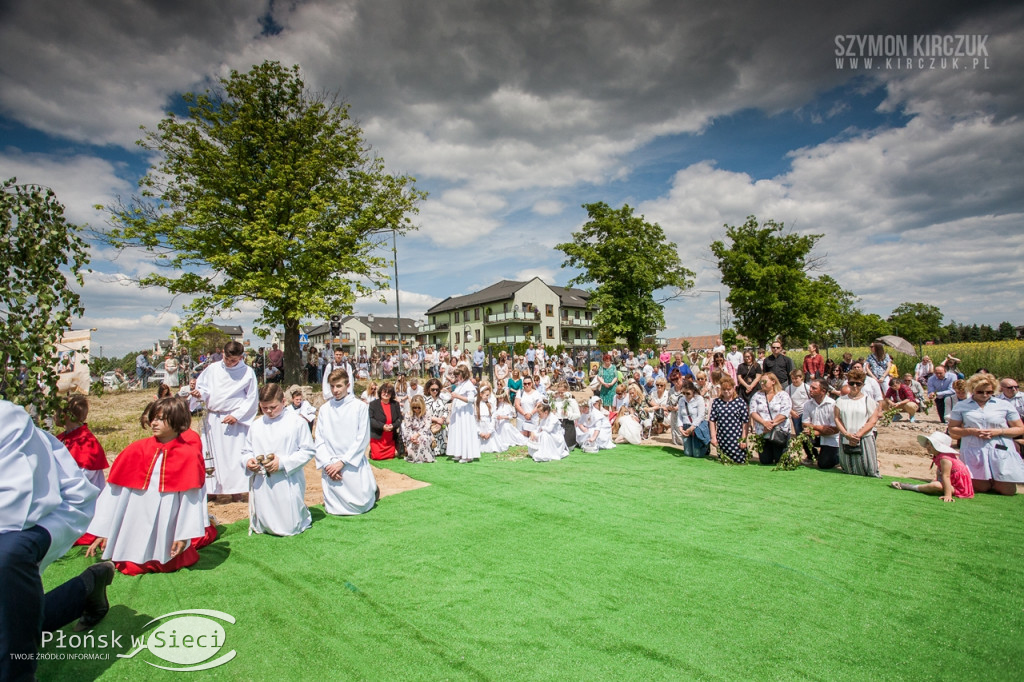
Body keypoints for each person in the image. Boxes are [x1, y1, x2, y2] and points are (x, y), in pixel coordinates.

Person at [0, 401, 113, 681]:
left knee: (7, 558)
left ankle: (17, 674)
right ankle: (85, 588)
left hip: (43, 514)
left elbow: (13, 504)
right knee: (10, 618)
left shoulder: (5, 419)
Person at [86, 398, 207, 574]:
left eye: (160, 418)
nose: (153, 422)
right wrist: (106, 529)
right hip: (137, 514)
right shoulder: (136, 449)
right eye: (153, 418)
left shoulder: (188, 455)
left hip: (169, 516)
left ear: (177, 420)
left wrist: (183, 535)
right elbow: (116, 493)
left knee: (166, 552)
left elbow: (191, 500)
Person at [242, 384, 316, 536]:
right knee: (264, 522)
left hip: (287, 480)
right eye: (264, 408)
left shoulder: (297, 422)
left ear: (283, 401)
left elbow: (308, 450)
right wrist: (249, 461)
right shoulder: (256, 426)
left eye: (273, 407)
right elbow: (246, 450)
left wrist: (282, 463)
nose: (269, 411)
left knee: (288, 526)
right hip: (262, 483)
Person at [190, 341, 258, 502]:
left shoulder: (247, 372)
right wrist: (199, 394)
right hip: (214, 417)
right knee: (211, 453)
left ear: (241, 357)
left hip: (235, 421)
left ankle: (237, 490)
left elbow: (252, 398)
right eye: (227, 358)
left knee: (235, 456)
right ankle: (211, 489)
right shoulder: (212, 369)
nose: (229, 362)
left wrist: (238, 415)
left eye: (234, 360)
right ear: (222, 353)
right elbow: (204, 388)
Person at [947, 373, 1024, 495]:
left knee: (1007, 490)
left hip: (999, 447)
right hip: (974, 448)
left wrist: (999, 431)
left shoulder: (1004, 405)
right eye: (980, 392)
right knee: (981, 488)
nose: (985, 395)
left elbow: (1020, 428)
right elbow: (952, 429)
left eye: (989, 392)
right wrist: (971, 431)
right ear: (972, 390)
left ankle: (997, 480)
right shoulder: (962, 406)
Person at [314, 369, 377, 515]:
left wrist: (342, 462)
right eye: (332, 386)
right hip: (331, 466)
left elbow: (362, 438)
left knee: (360, 504)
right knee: (332, 507)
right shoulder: (324, 409)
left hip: (350, 463)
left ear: (348, 385)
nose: (335, 390)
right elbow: (319, 439)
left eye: (339, 386)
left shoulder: (359, 407)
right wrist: (328, 463)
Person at [890, 432, 974, 501]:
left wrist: (948, 495)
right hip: (954, 483)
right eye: (928, 444)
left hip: (959, 487)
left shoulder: (945, 458)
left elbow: (946, 476)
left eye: (931, 444)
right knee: (936, 484)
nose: (928, 446)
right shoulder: (940, 456)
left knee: (935, 486)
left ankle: (908, 486)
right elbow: (940, 472)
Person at [834, 368, 882, 478]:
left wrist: (858, 435)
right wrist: (846, 434)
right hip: (846, 438)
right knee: (848, 469)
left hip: (864, 438)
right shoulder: (840, 401)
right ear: (848, 383)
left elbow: (872, 420)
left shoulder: (868, 401)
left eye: (858, 384)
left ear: (863, 384)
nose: (855, 386)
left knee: (868, 469)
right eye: (852, 383)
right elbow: (837, 418)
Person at [57, 395, 108, 491]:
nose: (53, 416)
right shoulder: (62, 437)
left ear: (65, 415)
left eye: (56, 412)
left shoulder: (86, 443)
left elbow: (83, 476)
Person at [749, 373, 793, 466]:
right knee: (765, 460)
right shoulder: (757, 395)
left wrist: (771, 424)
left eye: (764, 381)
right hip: (763, 431)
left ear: (773, 381)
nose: (762, 383)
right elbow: (753, 411)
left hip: (779, 431)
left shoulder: (783, 395)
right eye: (761, 382)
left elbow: (785, 412)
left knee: (781, 461)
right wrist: (764, 423)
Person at [709, 376, 749, 464]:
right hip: (722, 439)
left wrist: (743, 439)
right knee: (723, 462)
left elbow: (745, 422)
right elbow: (712, 420)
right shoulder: (716, 402)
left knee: (739, 463)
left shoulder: (740, 402)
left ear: (733, 388)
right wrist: (713, 437)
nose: (726, 391)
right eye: (724, 389)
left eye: (729, 389)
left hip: (736, 439)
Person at [801, 379, 840, 469]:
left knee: (824, 465)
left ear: (823, 391)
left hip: (831, 438)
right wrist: (819, 428)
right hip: (816, 434)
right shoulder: (808, 404)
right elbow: (805, 423)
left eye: (814, 388)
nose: (810, 389)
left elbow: (835, 429)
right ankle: (812, 457)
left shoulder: (833, 405)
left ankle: (838, 457)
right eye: (810, 387)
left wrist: (817, 432)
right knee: (804, 436)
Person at [447, 366, 481, 463]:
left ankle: (468, 455)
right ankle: (459, 452)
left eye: (458, 375)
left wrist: (457, 396)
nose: (457, 377)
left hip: (465, 412)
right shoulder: (460, 384)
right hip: (458, 412)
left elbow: (471, 399)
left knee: (465, 431)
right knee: (458, 431)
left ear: (464, 374)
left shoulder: (469, 385)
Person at [369, 383, 403, 461]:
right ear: (380, 392)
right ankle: (372, 451)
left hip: (390, 437)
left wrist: (393, 426)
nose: (386, 394)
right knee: (377, 457)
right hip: (378, 437)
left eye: (389, 392)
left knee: (391, 456)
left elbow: (399, 418)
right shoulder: (373, 404)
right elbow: (370, 419)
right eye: (384, 392)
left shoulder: (396, 404)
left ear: (392, 394)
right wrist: (382, 426)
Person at [677, 380, 709, 458]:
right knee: (687, 453)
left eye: (688, 393)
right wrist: (680, 428)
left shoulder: (699, 399)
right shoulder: (681, 400)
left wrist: (692, 427)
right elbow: (679, 415)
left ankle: (706, 446)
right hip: (685, 426)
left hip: (696, 427)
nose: (685, 395)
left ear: (693, 391)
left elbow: (701, 415)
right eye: (683, 393)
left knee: (697, 454)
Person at [403, 396, 436, 463]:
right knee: (412, 441)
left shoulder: (427, 412)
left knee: (423, 439)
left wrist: (418, 435)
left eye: (419, 407)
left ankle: (424, 458)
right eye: (414, 407)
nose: (417, 409)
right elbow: (407, 427)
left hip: (424, 432)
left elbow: (427, 426)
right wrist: (412, 437)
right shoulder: (408, 414)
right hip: (412, 432)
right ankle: (413, 457)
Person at [548, 381, 580, 449]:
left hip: (568, 424)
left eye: (562, 392)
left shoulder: (571, 401)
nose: (560, 394)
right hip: (557, 424)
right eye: (558, 392)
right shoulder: (555, 401)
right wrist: (552, 413)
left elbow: (578, 415)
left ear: (566, 391)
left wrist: (568, 414)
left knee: (567, 447)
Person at [423, 378, 450, 458]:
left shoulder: (442, 399)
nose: (435, 391)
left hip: (441, 425)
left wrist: (442, 419)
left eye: (437, 389)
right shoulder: (424, 400)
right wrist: (436, 419)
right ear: (428, 389)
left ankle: (442, 450)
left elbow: (446, 410)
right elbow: (423, 413)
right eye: (433, 389)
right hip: (429, 424)